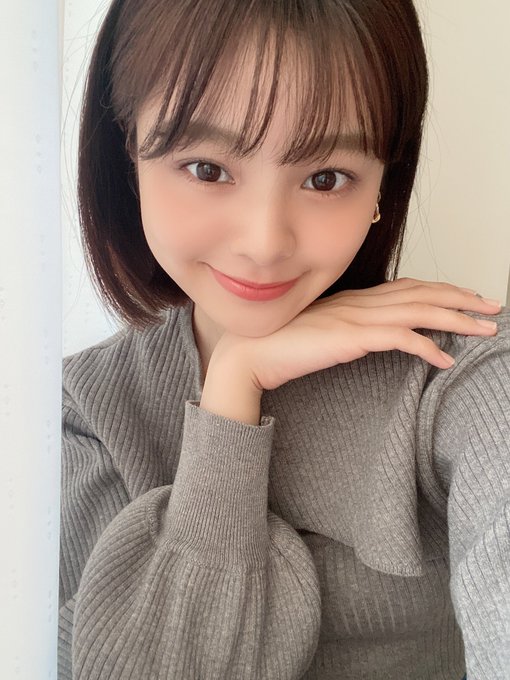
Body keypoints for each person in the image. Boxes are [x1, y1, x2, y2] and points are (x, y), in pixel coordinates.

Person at [58, 0, 509, 678]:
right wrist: (231, 394)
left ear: (383, 183)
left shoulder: (463, 372)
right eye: (207, 169)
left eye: (326, 178)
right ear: (128, 151)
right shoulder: (82, 410)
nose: (265, 243)